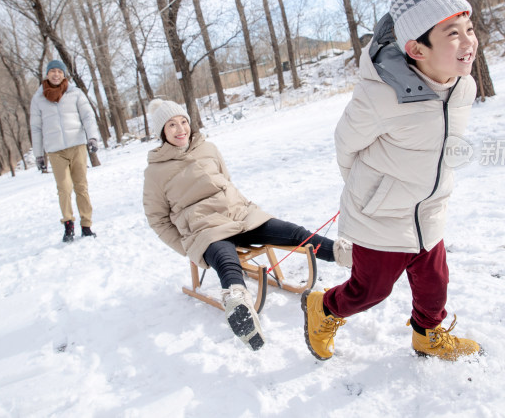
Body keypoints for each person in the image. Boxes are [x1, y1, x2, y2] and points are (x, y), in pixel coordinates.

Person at [301, 0, 482, 361]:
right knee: (370, 291)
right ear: (416, 50)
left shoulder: (462, 85)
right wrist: (373, 189)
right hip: (380, 215)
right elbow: (346, 145)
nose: (468, 41)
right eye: (452, 34)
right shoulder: (381, 95)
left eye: (468, 28)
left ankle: (427, 335)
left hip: (427, 209)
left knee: (435, 286)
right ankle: (324, 308)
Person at [142, 98, 352, 352]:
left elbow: (227, 181)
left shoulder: (208, 148)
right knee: (225, 258)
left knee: (294, 233)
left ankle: (346, 254)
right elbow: (157, 218)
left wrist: (244, 207)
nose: (180, 129)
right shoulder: (155, 172)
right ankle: (238, 302)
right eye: (172, 125)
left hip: (240, 214)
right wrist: (187, 246)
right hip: (205, 228)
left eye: (183, 121)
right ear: (162, 133)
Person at [30, 59, 101, 242]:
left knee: (81, 187)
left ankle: (86, 225)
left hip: (76, 146)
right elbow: (36, 129)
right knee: (64, 188)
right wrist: (39, 155)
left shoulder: (75, 93)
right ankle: (68, 225)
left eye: (59, 71)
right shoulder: (38, 99)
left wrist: (92, 137)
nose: (56, 74)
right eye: (52, 71)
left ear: (64, 74)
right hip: (55, 151)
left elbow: (88, 116)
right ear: (47, 74)